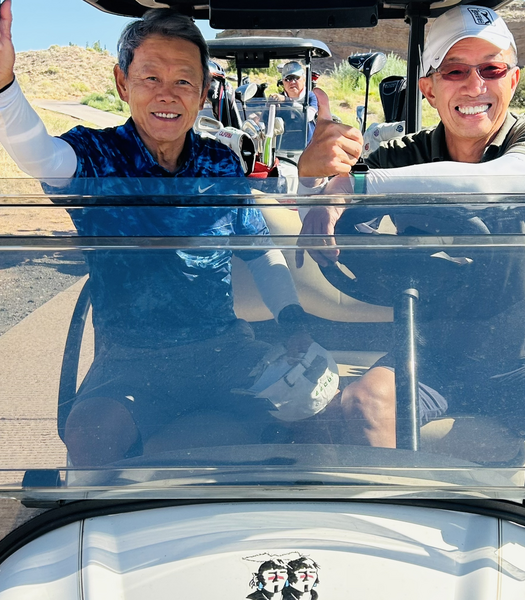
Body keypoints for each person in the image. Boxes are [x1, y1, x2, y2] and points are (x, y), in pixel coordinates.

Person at [0, 2, 311, 466]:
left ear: (203, 94)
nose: (167, 94)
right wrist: (5, 86)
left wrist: (293, 323)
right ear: (122, 83)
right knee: (91, 435)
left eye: (183, 81)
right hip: (129, 358)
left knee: (313, 414)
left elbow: (258, 251)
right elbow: (41, 157)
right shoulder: (98, 158)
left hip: (223, 350)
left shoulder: (220, 165)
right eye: (150, 78)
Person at [295, 4, 525, 463]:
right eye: (455, 71)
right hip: (426, 355)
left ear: (513, 80)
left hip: (519, 358)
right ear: (429, 89)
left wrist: (354, 184)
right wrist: (312, 177)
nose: (475, 85)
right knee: (361, 404)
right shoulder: (403, 154)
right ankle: (399, 505)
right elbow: (321, 212)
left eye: (492, 69)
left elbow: (503, 180)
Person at [269, 61, 320, 143]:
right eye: (288, 79)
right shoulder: (277, 99)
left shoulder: (311, 97)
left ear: (304, 79)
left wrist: (287, 101)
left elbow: (309, 116)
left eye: (296, 78)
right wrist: (266, 109)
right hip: (282, 146)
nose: (292, 82)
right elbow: (265, 122)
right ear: (283, 82)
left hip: (308, 146)